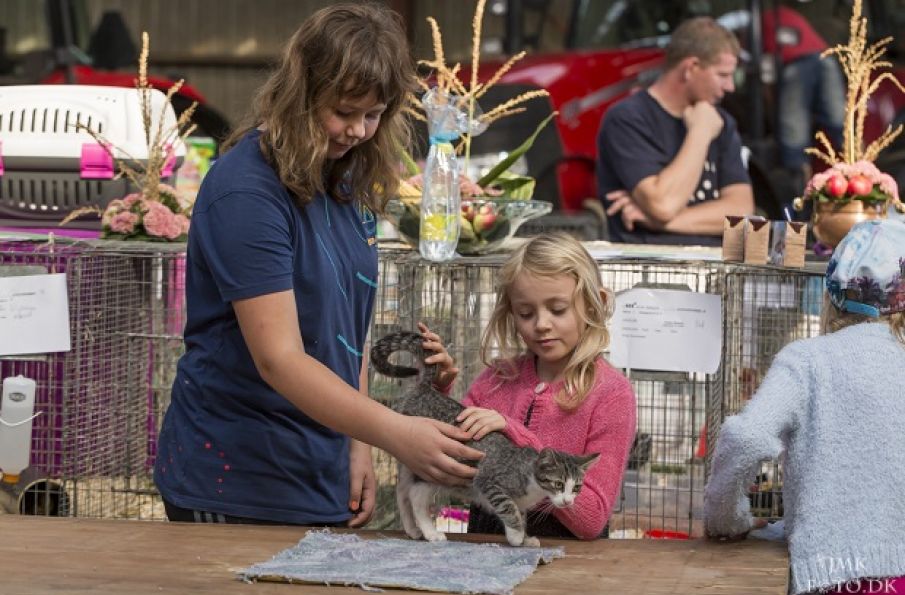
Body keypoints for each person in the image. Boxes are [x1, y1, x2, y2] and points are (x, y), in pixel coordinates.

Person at [153, 3, 482, 527]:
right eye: (343, 112)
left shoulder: (344, 180)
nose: (357, 131)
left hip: (319, 464)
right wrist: (394, 433)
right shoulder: (246, 193)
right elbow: (279, 358)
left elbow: (346, 325)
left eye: (373, 115)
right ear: (301, 96)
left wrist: (358, 442)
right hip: (239, 478)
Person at [705, 219, 905, 595]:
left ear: (831, 291)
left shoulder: (808, 360)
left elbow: (746, 437)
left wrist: (727, 518)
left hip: (830, 578)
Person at [426, 233, 637, 539]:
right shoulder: (497, 379)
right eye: (526, 313)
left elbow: (591, 519)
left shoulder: (611, 394)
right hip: (485, 547)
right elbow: (454, 455)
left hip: (567, 561)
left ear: (594, 305)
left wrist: (516, 434)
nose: (540, 324)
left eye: (558, 309)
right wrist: (437, 395)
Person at [596, 17, 755, 246]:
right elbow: (663, 205)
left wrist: (664, 222)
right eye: (722, 75)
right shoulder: (628, 118)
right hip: (646, 265)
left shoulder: (722, 122)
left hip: (714, 265)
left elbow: (741, 211)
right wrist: (700, 132)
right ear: (691, 68)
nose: (730, 86)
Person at [763, 5, 845, 198]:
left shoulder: (758, 27)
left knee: (794, 137)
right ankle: (867, 179)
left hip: (797, 67)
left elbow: (766, 79)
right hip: (827, 59)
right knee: (844, 130)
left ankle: (801, 197)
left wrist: (772, 110)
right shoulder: (786, 14)